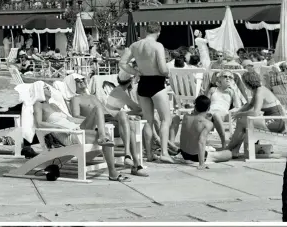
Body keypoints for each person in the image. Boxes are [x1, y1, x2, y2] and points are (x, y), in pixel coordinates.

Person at [34, 84, 130, 182]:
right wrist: (59, 126)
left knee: (98, 109)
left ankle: (102, 136)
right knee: (108, 136)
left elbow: (70, 118)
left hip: (75, 128)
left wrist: (92, 119)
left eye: (48, 87)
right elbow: (39, 123)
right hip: (67, 134)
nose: (49, 89)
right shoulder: (38, 105)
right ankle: (113, 173)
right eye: (45, 88)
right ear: (39, 90)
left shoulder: (53, 105)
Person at [119, 22, 174, 163]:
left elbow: (122, 63)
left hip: (143, 83)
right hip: (157, 83)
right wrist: (169, 72)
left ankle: (149, 154)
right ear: (159, 32)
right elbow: (162, 68)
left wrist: (135, 71)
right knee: (165, 119)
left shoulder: (135, 45)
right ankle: (164, 153)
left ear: (145, 31)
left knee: (148, 121)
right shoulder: (158, 46)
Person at [226, 71, 287, 158]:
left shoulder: (260, 92)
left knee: (242, 122)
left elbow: (255, 112)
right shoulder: (258, 90)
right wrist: (238, 112)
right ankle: (234, 150)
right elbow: (250, 105)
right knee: (243, 123)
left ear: (248, 83)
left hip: (276, 122)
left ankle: (229, 148)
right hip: (274, 120)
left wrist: (239, 114)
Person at [178, 95, 232, 168]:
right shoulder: (207, 123)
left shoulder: (186, 117)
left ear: (195, 106)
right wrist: (201, 164)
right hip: (195, 157)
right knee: (228, 154)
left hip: (184, 154)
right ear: (209, 108)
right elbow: (201, 141)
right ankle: (223, 147)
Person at [205, 71, 243, 149]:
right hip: (211, 112)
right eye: (225, 76)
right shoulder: (213, 89)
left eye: (230, 77)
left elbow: (238, 106)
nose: (227, 78)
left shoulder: (232, 91)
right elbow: (206, 103)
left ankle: (223, 143)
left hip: (224, 114)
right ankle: (204, 143)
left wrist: (233, 89)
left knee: (215, 115)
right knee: (210, 115)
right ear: (220, 78)